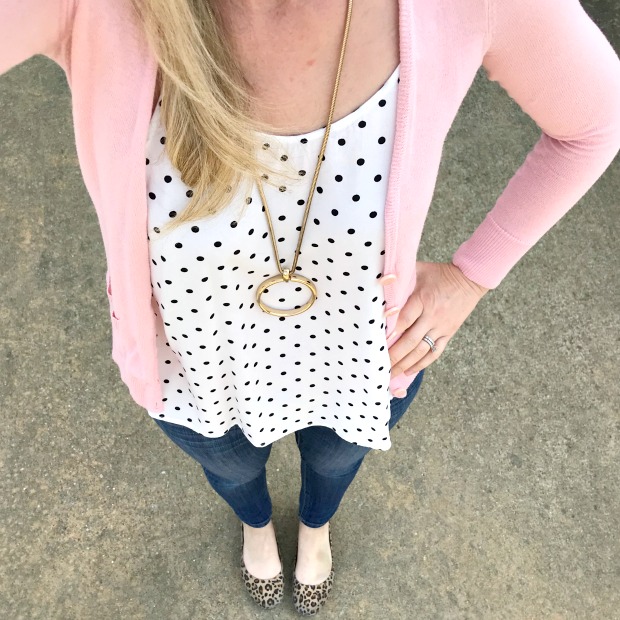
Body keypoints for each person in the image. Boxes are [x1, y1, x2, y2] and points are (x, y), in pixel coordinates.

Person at [1, 0, 619, 614]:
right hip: (197, 367)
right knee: (232, 471)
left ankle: (316, 525)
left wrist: (471, 278)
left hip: (360, 358)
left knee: (334, 462)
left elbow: (596, 121)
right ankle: (256, 525)